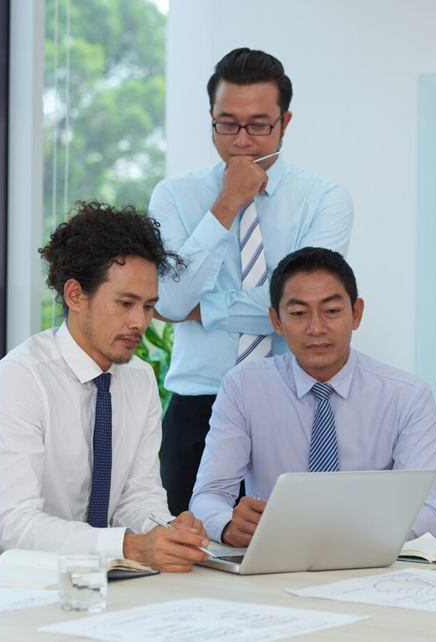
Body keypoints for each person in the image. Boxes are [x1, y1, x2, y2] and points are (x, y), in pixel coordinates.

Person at [0, 202, 209, 573]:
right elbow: (16, 527)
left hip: (91, 581)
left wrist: (165, 532)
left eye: (147, 307)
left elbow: (138, 497)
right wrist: (129, 546)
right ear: (75, 295)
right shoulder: (19, 380)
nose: (138, 323)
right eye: (125, 303)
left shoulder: (139, 379)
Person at [150, 48, 354, 514]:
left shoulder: (324, 199)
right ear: (211, 118)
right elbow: (173, 298)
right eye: (227, 124)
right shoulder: (175, 196)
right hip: (197, 407)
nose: (242, 141)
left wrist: (207, 310)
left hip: (294, 404)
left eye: (259, 125)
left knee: (298, 552)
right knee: (189, 561)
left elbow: (304, 307)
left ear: (285, 121)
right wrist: (226, 204)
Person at [190, 247, 436, 546]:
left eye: (332, 311)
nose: (316, 328)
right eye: (298, 313)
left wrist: (337, 532)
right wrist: (228, 526)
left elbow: (429, 516)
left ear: (357, 314)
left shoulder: (407, 396)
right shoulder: (244, 387)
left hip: (370, 564)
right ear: (276, 321)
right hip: (275, 560)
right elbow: (209, 496)